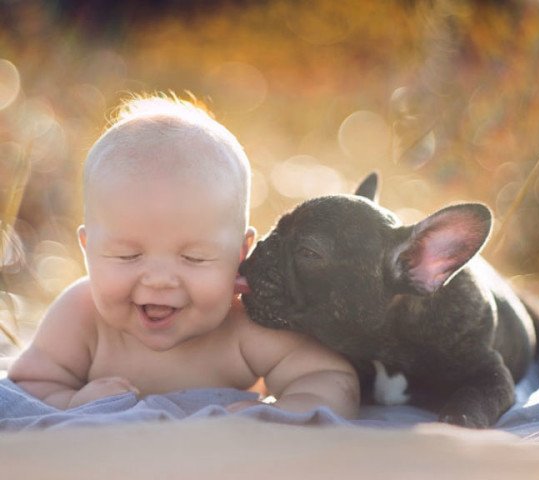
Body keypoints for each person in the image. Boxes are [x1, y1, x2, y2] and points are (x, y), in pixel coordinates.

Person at [8, 94, 359, 418]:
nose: (159, 279)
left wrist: (285, 411)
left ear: (240, 254)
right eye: (129, 255)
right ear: (89, 250)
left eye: (193, 258)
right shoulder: (80, 317)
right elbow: (28, 387)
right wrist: (70, 403)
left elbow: (328, 376)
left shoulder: (243, 324)